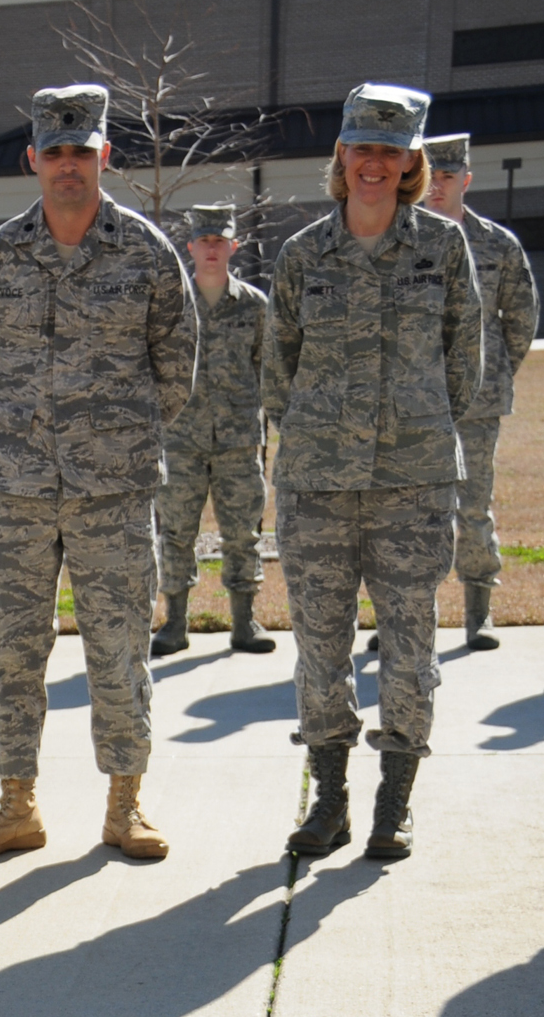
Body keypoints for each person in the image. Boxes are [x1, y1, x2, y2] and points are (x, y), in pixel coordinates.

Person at [0, 84, 196, 862]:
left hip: (113, 494)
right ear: (33, 159)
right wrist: (33, 431)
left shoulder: (148, 254)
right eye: (53, 151)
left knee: (119, 650)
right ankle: (14, 805)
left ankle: (126, 805)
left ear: (104, 157)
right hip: (15, 490)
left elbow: (177, 365)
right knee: (14, 654)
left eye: (81, 151)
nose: (67, 165)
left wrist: (111, 437)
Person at [266, 85, 481, 865]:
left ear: (411, 163)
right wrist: (310, 442)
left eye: (391, 151)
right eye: (363, 147)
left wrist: (423, 436)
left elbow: (467, 361)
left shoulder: (443, 250)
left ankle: (395, 805)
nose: (374, 163)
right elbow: (276, 370)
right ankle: (330, 803)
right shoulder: (300, 257)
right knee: (320, 647)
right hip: (318, 487)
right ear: (343, 157)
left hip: (412, 485)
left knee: (409, 647)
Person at [423, 133, 539, 650]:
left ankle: (478, 613)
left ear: (466, 180)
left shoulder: (497, 244)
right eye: (430, 177)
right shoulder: (398, 241)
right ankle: (408, 617)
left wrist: (491, 373)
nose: (437, 188)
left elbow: (520, 320)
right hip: (413, 401)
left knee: (473, 505)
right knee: (411, 514)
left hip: (475, 403)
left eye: (447, 177)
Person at [152, 203, 273, 660]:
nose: (211, 249)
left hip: (239, 439)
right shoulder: (172, 306)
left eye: (219, 241)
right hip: (180, 439)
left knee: (242, 531)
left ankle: (245, 622)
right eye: (203, 241)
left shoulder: (256, 308)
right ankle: (175, 622)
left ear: (233, 247)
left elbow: (269, 367)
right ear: (190, 246)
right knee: (177, 531)